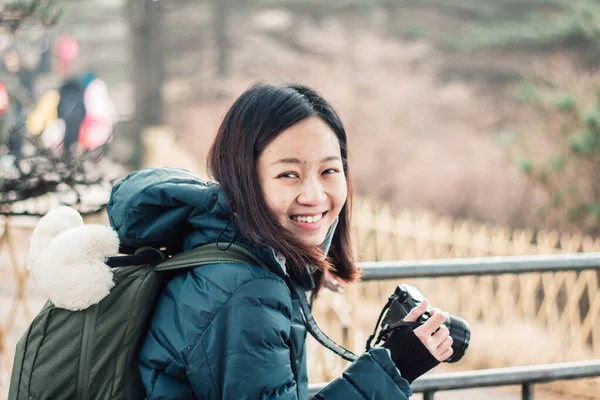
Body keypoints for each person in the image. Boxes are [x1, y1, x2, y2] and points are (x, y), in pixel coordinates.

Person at [107, 82, 453, 399]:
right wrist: (396, 365)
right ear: (244, 178)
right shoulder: (244, 289)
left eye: (329, 170)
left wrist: (300, 272)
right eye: (289, 174)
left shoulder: (229, 245)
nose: (315, 195)